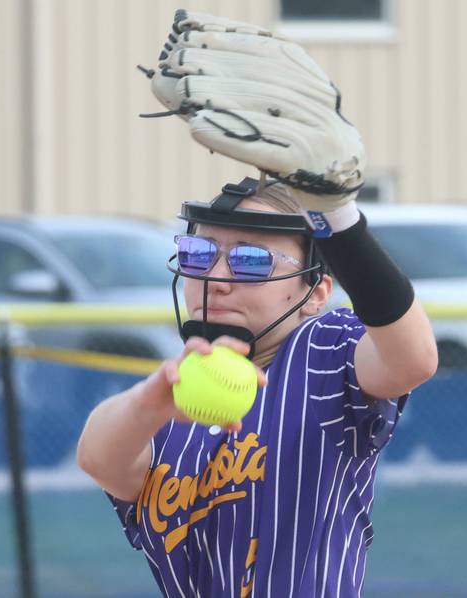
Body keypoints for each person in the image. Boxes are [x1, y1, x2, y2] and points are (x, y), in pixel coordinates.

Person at [77, 10, 438, 597]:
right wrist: (150, 400)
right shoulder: (166, 410)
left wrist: (336, 216)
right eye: (199, 255)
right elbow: (99, 457)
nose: (216, 277)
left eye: (250, 261)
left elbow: (412, 359)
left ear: (314, 293)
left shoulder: (323, 352)